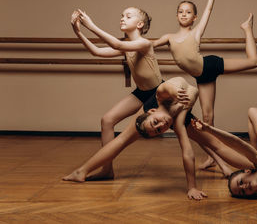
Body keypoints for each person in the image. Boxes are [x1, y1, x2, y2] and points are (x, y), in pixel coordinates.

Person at [152, 0, 257, 174]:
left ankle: (247, 29)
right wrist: (129, 44)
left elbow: (209, 11)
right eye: (181, 11)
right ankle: (212, 157)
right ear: (177, 16)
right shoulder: (169, 37)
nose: (184, 14)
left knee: (254, 62)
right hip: (202, 77)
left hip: (210, 64)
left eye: (188, 12)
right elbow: (148, 45)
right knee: (208, 116)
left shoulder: (195, 32)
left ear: (194, 17)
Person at [63, 77, 208, 200]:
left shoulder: (135, 44)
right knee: (108, 121)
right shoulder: (124, 46)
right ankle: (103, 170)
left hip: (157, 90)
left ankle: (86, 171)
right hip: (146, 89)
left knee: (202, 137)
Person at [70, 7, 162, 181]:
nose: (122, 18)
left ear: (140, 24)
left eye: (128, 16)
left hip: (158, 94)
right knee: (107, 120)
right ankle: (107, 170)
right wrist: (79, 33)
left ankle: (221, 163)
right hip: (142, 93)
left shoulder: (144, 43)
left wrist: (91, 25)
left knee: (189, 131)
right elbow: (96, 52)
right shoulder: (127, 46)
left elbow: (117, 44)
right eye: (122, 15)